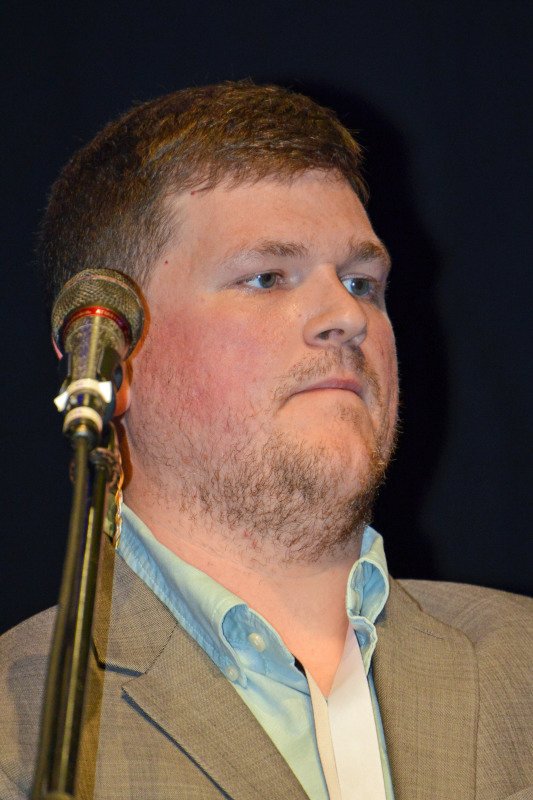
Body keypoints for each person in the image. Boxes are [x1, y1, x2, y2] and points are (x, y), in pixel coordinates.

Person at [1, 81, 532, 800]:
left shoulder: (518, 666)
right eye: (266, 278)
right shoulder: (20, 726)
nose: (344, 315)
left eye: (361, 281)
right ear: (111, 353)